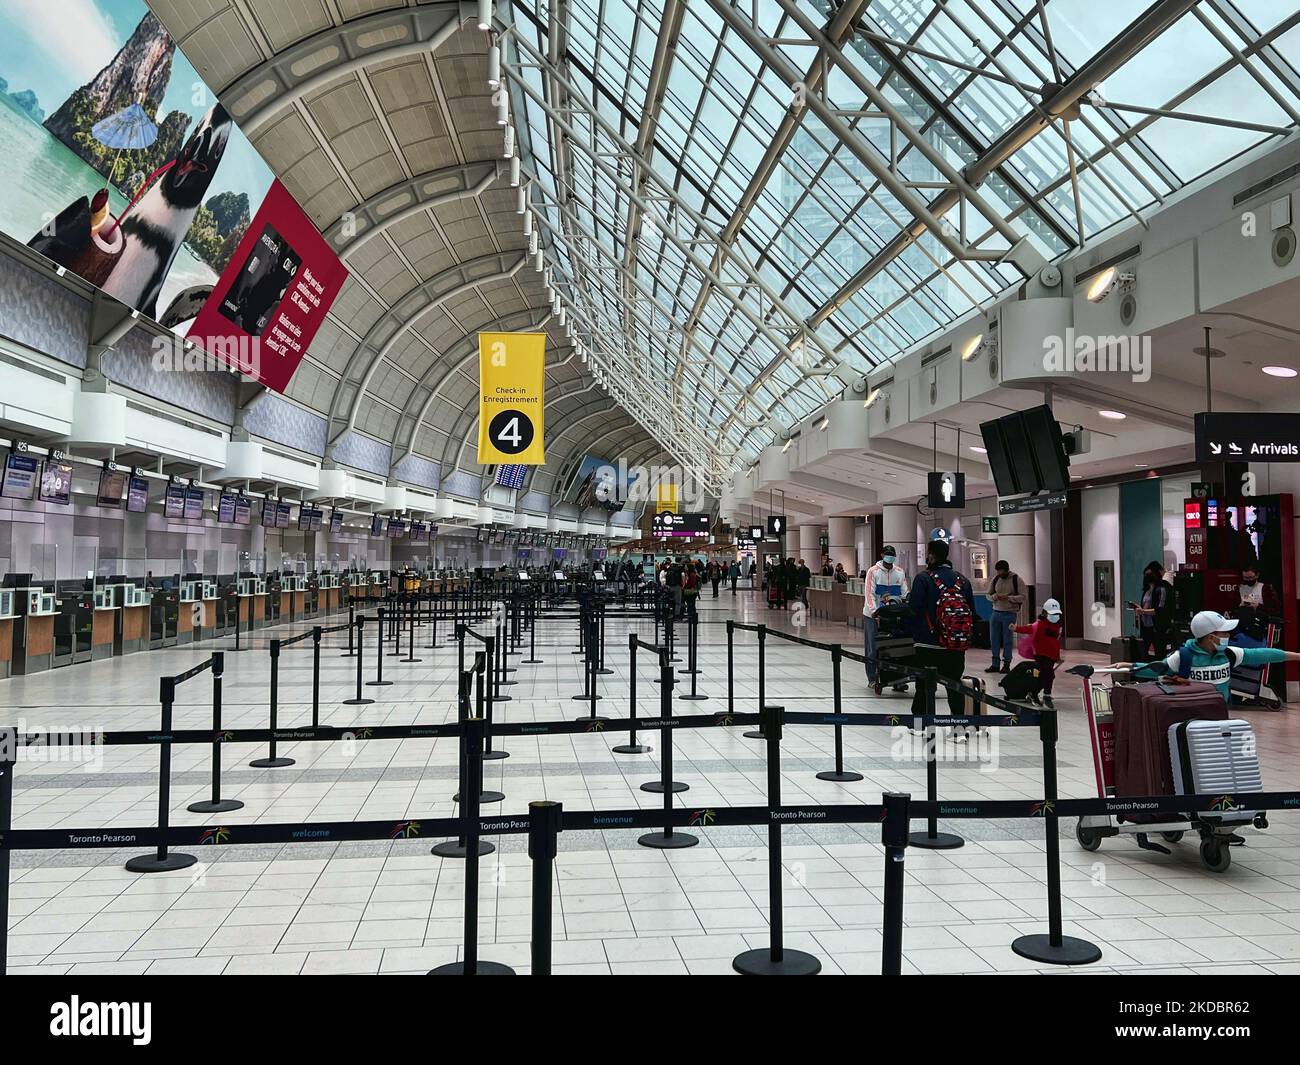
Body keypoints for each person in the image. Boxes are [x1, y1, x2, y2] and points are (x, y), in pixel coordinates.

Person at [1117, 610, 1300, 702]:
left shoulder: (1229, 654)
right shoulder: (1183, 656)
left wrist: (1296, 656)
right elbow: (1157, 669)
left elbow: (1263, 655)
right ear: (1211, 636)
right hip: (1190, 718)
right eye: (1224, 633)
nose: (1228, 637)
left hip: (1220, 714)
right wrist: (1129, 666)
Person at [906, 539, 975, 716]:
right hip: (955, 644)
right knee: (954, 685)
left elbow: (914, 609)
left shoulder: (923, 578)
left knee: (924, 686)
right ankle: (959, 727)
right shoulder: (963, 580)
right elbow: (972, 611)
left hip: (927, 643)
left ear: (930, 555)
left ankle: (921, 724)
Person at [863, 546, 908, 691]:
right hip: (873, 616)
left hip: (893, 616)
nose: (889, 558)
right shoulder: (873, 572)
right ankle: (872, 678)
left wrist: (905, 606)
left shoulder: (900, 572)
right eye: (887, 555)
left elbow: (904, 592)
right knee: (872, 648)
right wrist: (874, 612)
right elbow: (869, 594)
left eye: (892, 555)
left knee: (896, 648)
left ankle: (898, 680)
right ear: (882, 555)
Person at [1013, 597, 1063, 709]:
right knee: (1048, 674)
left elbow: (1056, 642)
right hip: (1041, 654)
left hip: (1051, 655)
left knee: (1045, 675)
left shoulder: (1058, 626)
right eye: (1052, 613)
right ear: (1044, 613)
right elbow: (1028, 629)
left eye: (1056, 614)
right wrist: (1016, 628)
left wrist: (1057, 656)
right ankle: (1047, 695)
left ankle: (1033, 693)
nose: (1055, 616)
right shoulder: (1039, 624)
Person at [985, 559, 1024, 674]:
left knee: (1007, 640)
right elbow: (988, 594)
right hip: (996, 612)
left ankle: (1006, 664)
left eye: (1001, 572)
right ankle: (995, 664)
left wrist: (1009, 598)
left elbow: (1023, 596)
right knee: (994, 639)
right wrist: (994, 597)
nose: (999, 574)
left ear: (1007, 570)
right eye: (998, 572)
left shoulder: (1017, 580)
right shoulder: (996, 579)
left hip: (1009, 613)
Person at [1130, 561, 1173, 660]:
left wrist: (1143, 611)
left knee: (1158, 653)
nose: (1147, 577)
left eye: (1149, 574)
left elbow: (1160, 609)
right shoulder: (1147, 589)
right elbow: (1146, 606)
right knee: (1145, 653)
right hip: (1146, 626)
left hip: (1157, 627)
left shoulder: (1162, 588)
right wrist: (1139, 609)